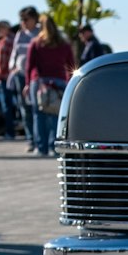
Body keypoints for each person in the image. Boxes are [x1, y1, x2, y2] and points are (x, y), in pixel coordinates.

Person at [25, 13, 74, 157]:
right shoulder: (64, 44)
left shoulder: (36, 43)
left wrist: (27, 84)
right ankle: (54, 147)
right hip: (58, 82)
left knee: (38, 115)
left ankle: (41, 148)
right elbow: (71, 65)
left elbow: (30, 66)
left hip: (40, 83)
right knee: (55, 114)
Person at [7, 7, 40, 151]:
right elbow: (15, 52)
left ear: (34, 19)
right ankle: (31, 140)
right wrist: (12, 66)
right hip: (20, 75)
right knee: (24, 109)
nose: (24, 22)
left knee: (37, 109)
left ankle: (40, 140)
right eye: (22, 19)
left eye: (26, 19)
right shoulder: (20, 34)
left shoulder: (40, 34)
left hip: (35, 76)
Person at [0, 20, 16, 138]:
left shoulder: (10, 41)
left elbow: (7, 62)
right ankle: (9, 130)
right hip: (1, 78)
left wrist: (0, 73)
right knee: (6, 105)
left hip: (7, 78)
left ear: (6, 28)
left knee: (8, 106)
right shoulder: (1, 42)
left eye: (0, 28)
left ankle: (10, 132)